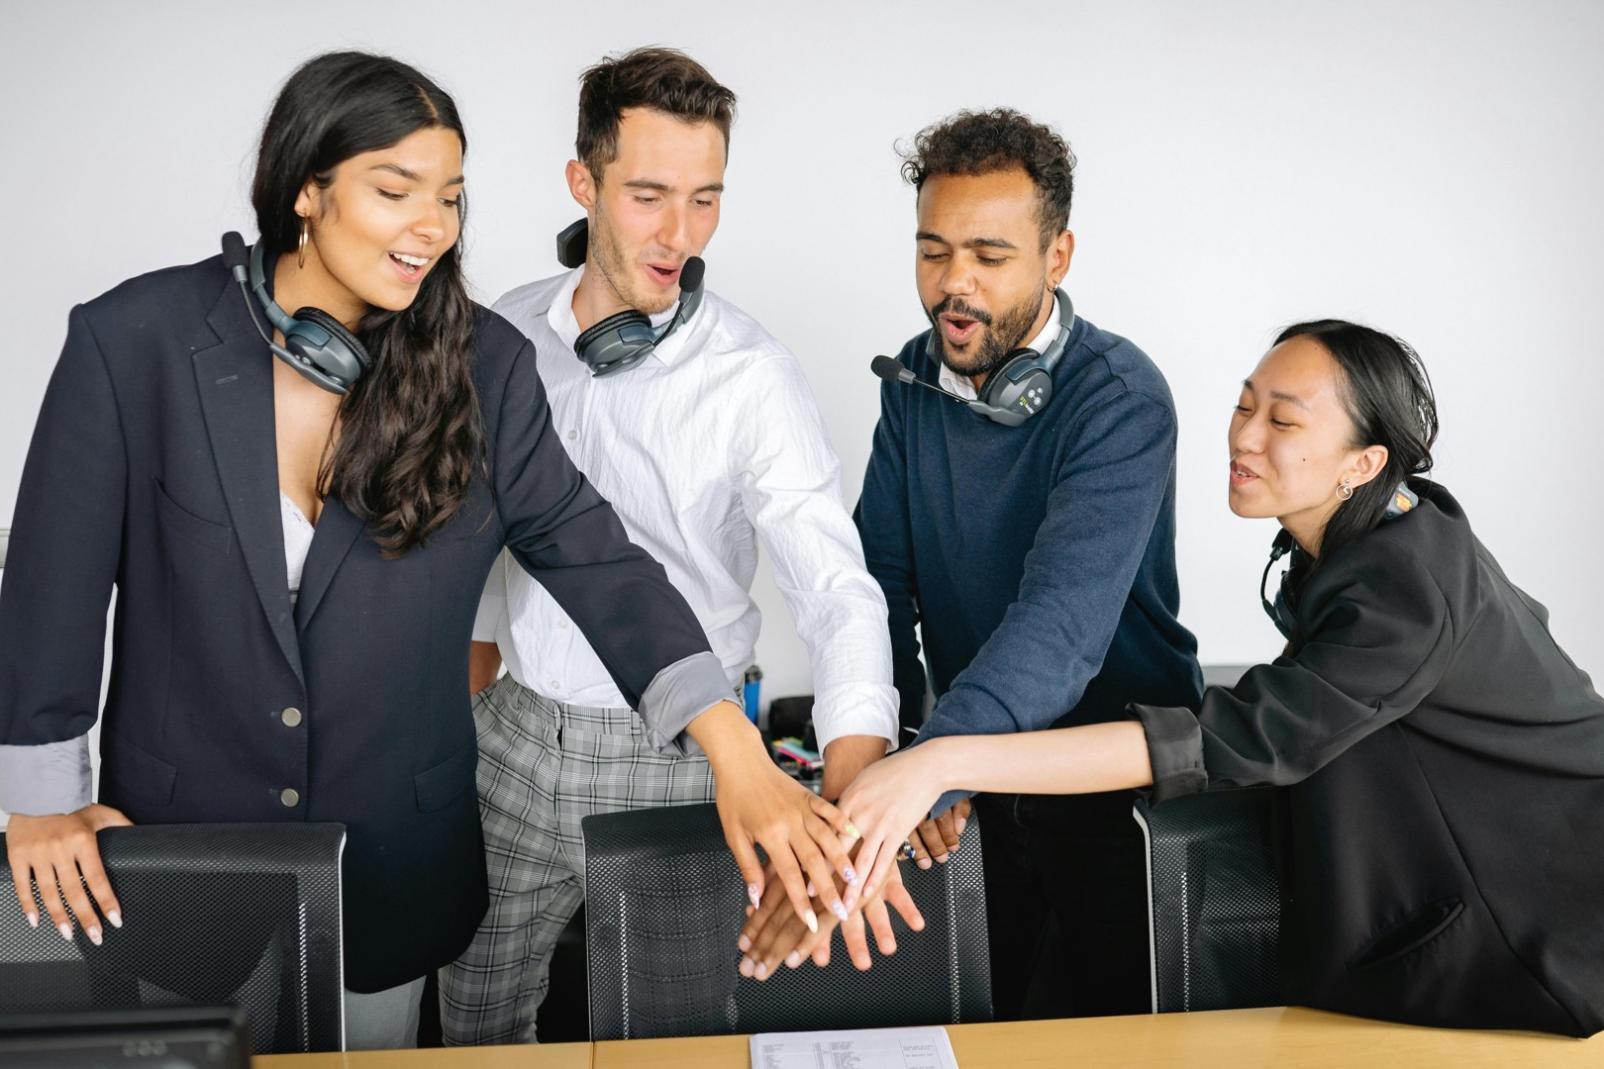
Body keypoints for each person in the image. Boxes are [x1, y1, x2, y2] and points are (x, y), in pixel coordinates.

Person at [0, 51, 851, 1051]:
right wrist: (39, 804)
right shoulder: (131, 341)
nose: (433, 227)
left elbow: (598, 563)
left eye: (449, 197)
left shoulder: (488, 366)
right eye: (395, 190)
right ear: (306, 190)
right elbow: (49, 585)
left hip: (390, 866)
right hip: (172, 850)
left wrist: (733, 746)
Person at [751, 320, 1604, 1037]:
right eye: (1244, 403)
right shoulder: (1379, 534)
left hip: (1531, 930)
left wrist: (939, 762)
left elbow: (1227, 737)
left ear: (1363, 462)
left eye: (1285, 421)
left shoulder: (1403, 589)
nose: (1244, 434)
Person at [439, 47, 902, 1046]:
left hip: (685, 759)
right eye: (648, 196)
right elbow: (471, 531)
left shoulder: (751, 376)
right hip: (511, 743)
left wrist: (853, 781)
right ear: (584, 184)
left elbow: (836, 590)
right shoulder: (502, 335)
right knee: (471, 1024)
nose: (679, 234)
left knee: (679, 1036)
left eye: (704, 199)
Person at [770, 108, 1203, 1020]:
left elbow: (1061, 630)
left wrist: (932, 765)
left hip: (1114, 800)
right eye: (933, 252)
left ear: (1059, 256)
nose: (952, 285)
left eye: (988, 256)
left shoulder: (1121, 400)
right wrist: (893, 744)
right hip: (971, 792)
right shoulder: (916, 385)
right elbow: (878, 589)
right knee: (985, 1028)